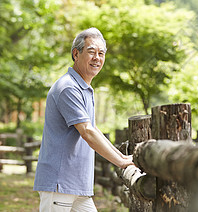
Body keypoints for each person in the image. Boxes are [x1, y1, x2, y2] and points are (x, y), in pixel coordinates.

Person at [34, 27, 134, 211]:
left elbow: (94, 130)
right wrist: (120, 162)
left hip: (78, 186)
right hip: (60, 184)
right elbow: (87, 132)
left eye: (101, 53)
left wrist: (122, 157)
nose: (97, 58)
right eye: (91, 52)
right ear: (76, 54)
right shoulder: (68, 88)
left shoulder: (83, 88)